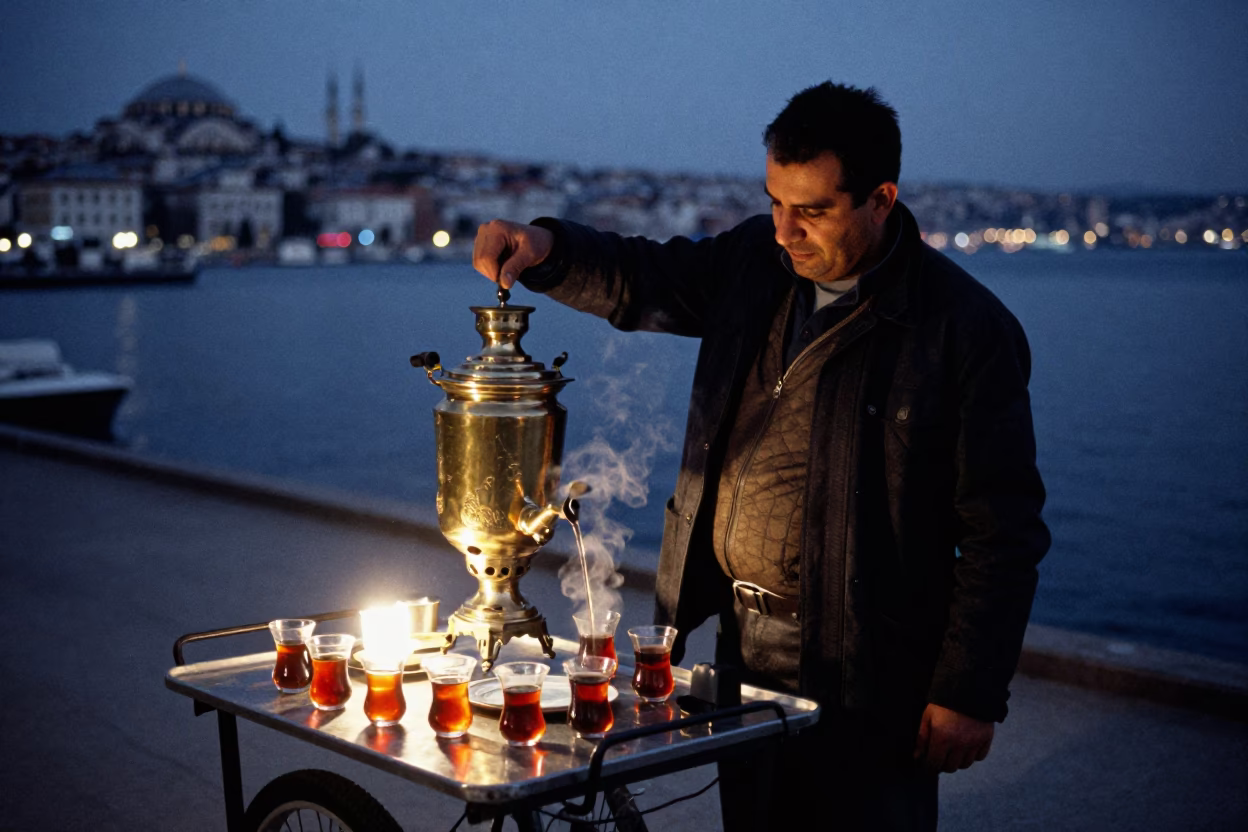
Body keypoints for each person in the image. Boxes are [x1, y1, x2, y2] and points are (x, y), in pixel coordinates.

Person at [472, 81, 1050, 831]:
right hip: (743, 653)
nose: (786, 230)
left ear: (881, 199)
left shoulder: (965, 330)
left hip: (872, 673)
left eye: (813, 210)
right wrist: (549, 252)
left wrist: (968, 692)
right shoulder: (754, 262)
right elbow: (643, 277)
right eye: (775, 202)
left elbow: (1004, 533)